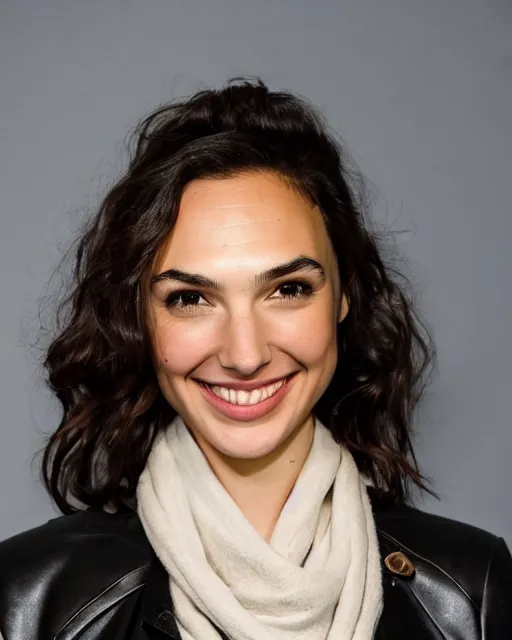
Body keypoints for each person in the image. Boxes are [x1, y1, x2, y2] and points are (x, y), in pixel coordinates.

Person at [0, 79, 510, 640]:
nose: (245, 355)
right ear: (140, 318)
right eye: (191, 298)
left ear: (344, 294)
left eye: (288, 289)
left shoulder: (467, 591)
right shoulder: (30, 599)